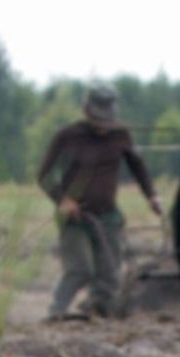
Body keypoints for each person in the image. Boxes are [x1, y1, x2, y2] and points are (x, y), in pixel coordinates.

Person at [37, 85, 163, 319]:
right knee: (80, 269)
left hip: (108, 216)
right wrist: (62, 200)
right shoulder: (67, 136)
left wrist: (152, 196)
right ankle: (55, 313)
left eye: (108, 119)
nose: (104, 124)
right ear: (87, 112)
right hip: (76, 217)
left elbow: (138, 167)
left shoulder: (122, 135)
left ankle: (97, 312)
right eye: (99, 118)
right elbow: (44, 175)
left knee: (109, 274)